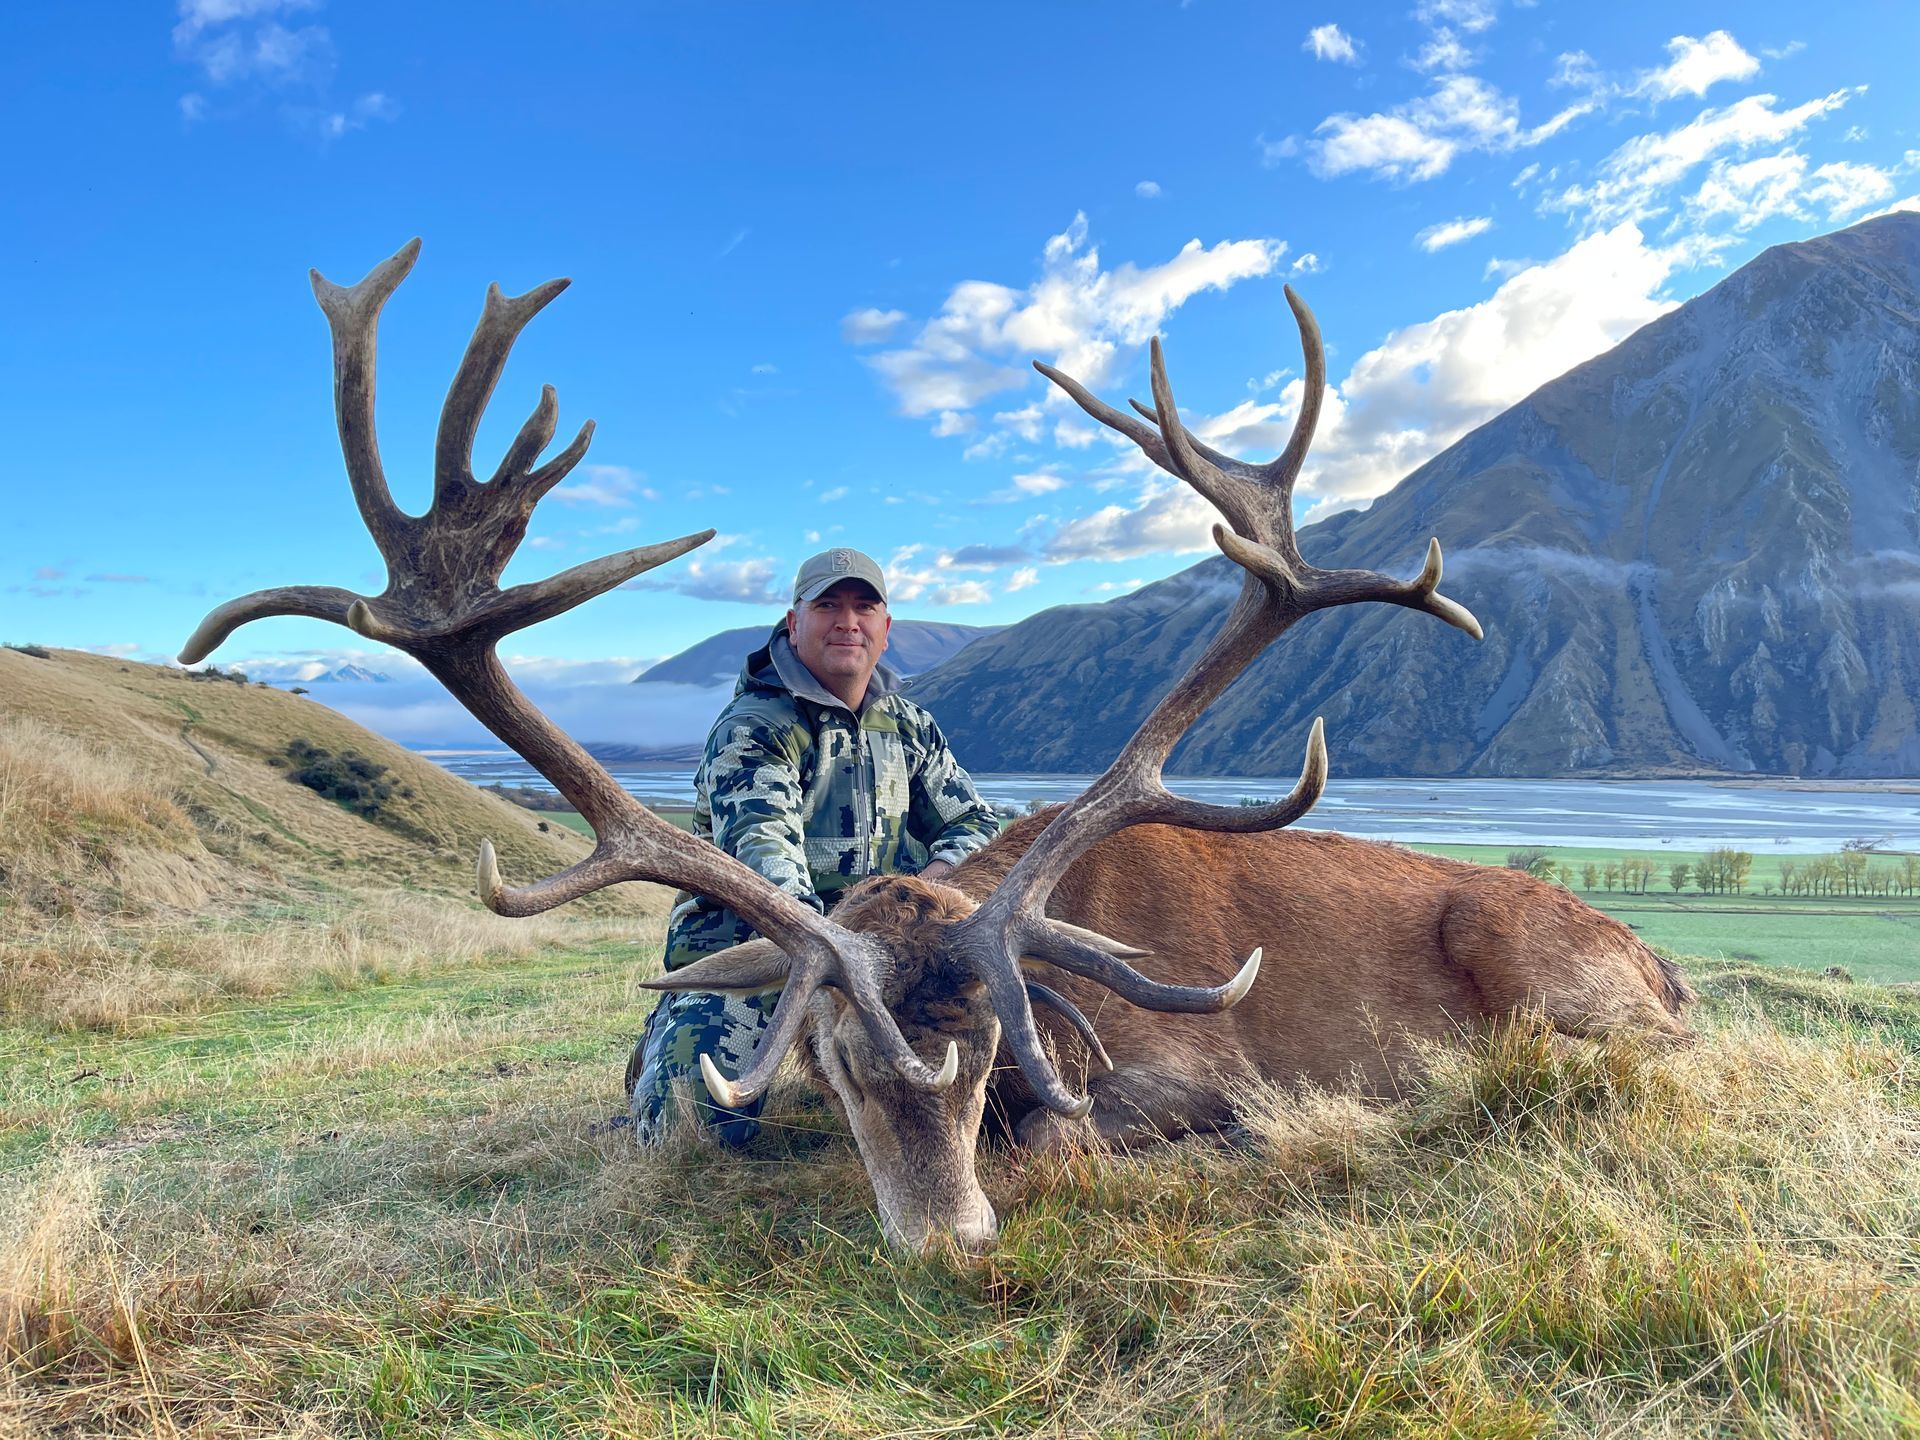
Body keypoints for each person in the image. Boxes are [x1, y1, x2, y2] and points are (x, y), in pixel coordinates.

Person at [627, 547, 1001, 1145]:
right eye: (827, 605)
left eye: (863, 607)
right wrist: (837, 942)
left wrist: (931, 887)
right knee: (690, 1131)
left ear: (885, 630)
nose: (847, 621)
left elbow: (976, 823)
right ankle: (670, 1034)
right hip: (766, 949)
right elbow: (763, 848)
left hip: (882, 958)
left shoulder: (910, 727)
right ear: (794, 622)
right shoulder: (754, 726)